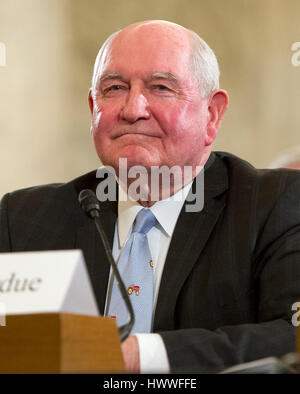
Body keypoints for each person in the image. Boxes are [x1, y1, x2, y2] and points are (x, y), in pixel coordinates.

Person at [1, 20, 300, 374]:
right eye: (114, 88)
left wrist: (135, 356)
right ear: (92, 108)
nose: (133, 108)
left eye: (160, 87)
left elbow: (290, 335)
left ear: (211, 114)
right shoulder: (22, 219)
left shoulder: (276, 204)